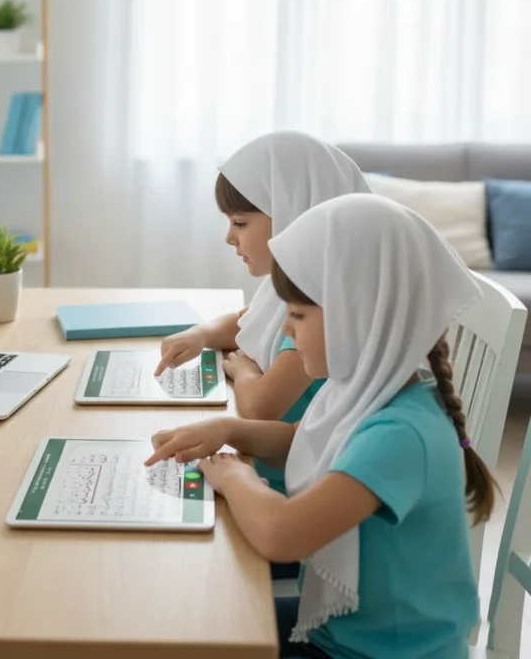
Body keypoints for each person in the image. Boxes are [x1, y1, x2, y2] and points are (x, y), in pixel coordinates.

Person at [146, 194, 493, 659]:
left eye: (299, 315)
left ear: (360, 317)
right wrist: (229, 430)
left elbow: (283, 535)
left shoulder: (402, 434)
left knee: (190, 632)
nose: (285, 332)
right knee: (188, 621)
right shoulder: (368, 388)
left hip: (372, 653)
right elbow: (302, 441)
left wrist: (235, 475)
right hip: (343, 634)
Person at [155, 131, 371, 497]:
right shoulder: (291, 283)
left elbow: (261, 408)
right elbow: (245, 319)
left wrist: (244, 370)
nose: (229, 237)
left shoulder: (321, 303)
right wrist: (202, 334)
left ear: (294, 214)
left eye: (239, 223)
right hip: (270, 458)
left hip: (290, 483)